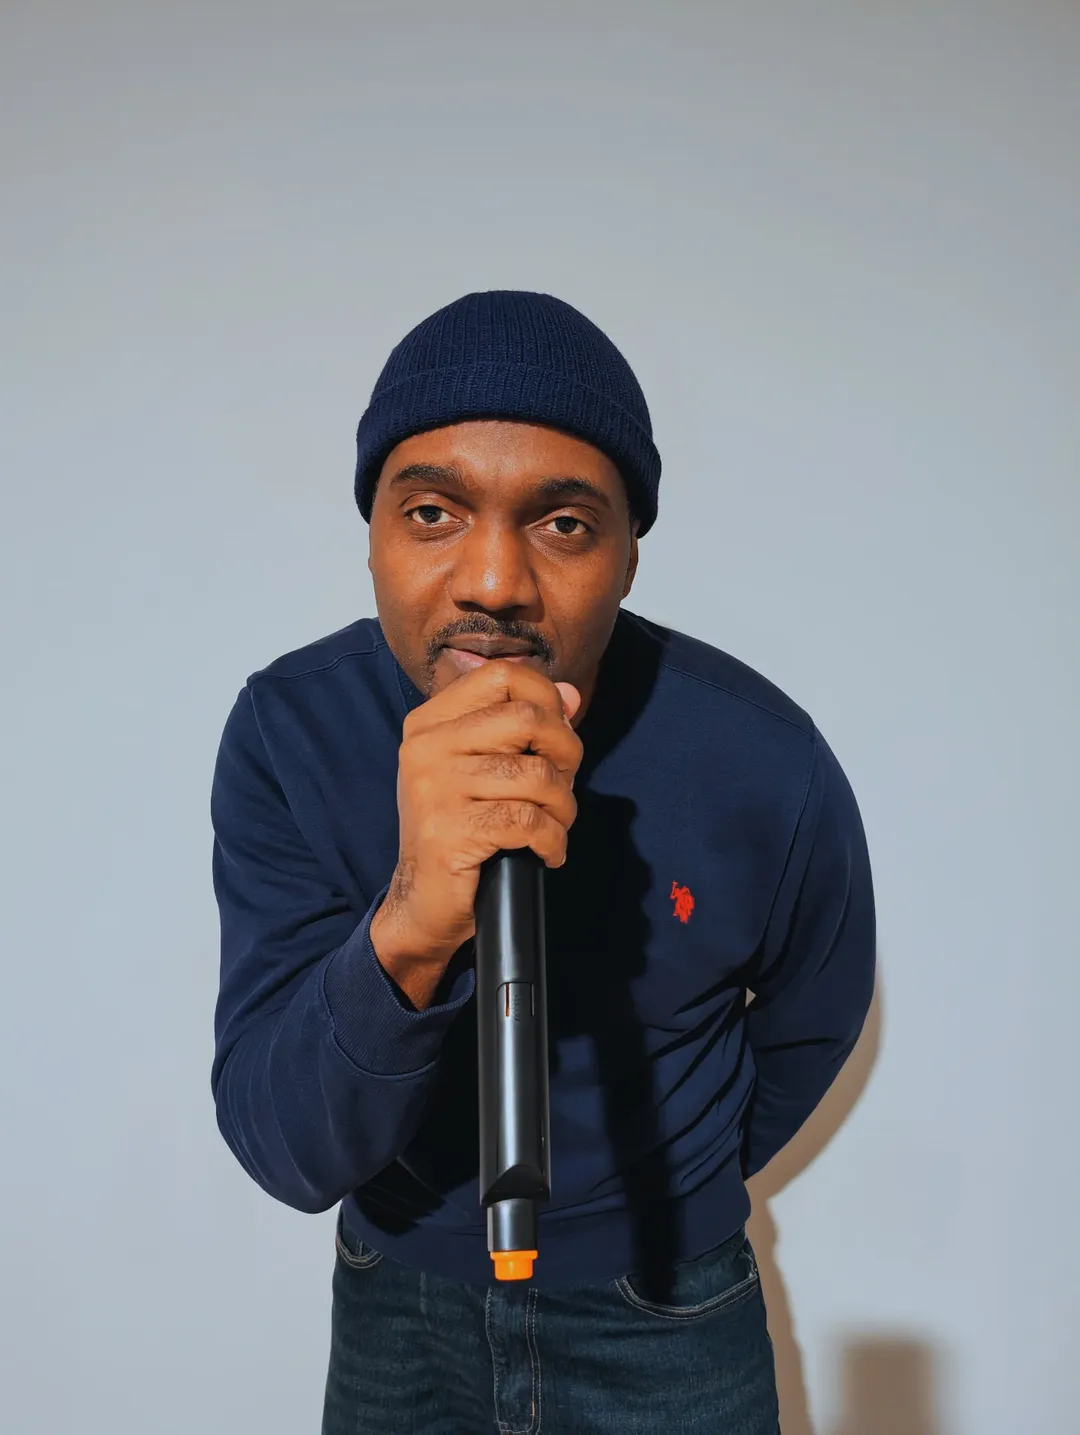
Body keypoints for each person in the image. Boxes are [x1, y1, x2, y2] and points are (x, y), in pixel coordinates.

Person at [209, 290, 876, 1434]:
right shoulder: (290, 732)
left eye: (564, 523)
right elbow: (286, 1147)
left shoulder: (762, 757)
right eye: (432, 512)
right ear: (371, 532)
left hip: (668, 1305)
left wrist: (659, 1188)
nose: (494, 581)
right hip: (394, 1309)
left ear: (627, 555)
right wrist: (413, 921)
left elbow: (814, 1021)